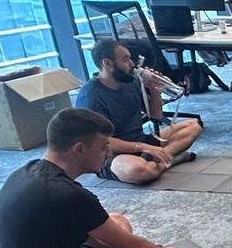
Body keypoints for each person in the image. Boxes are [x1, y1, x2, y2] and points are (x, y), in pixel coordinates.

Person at [0, 107, 187, 248]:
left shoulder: (28, 172)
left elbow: (96, 236)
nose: (109, 154)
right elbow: (130, 245)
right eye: (104, 147)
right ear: (79, 149)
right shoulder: (68, 194)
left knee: (117, 220)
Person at [73, 39, 201, 185]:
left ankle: (159, 160)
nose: (132, 65)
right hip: (111, 154)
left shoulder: (130, 82)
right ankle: (171, 159)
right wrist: (143, 147)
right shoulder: (90, 96)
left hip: (140, 141)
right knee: (136, 170)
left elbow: (155, 115)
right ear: (107, 64)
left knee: (193, 126)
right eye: (125, 60)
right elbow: (101, 142)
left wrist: (154, 89)